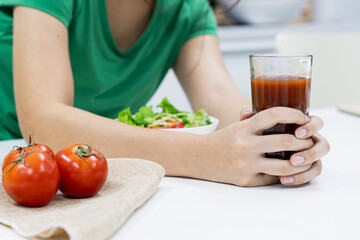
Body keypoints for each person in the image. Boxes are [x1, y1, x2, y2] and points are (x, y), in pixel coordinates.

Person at [0, 0, 329, 187]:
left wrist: (273, 137)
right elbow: (41, 123)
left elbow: (218, 97)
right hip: (17, 164)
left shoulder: (187, 9)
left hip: (94, 171)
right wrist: (205, 155)